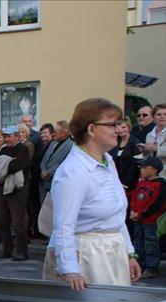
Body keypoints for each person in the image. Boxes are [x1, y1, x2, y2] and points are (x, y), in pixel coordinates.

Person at [43, 98, 141, 290]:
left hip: (111, 252)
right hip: (86, 256)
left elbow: (116, 214)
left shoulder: (107, 161)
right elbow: (63, 225)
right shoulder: (73, 172)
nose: (118, 129)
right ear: (91, 129)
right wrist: (71, 270)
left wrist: (129, 253)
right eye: (112, 124)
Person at [0, 126, 31, 261]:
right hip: (3, 188)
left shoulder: (22, 149)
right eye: (6, 136)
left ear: (17, 137)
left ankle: (21, 251)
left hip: (17, 190)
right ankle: (6, 249)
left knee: (18, 222)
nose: (7, 139)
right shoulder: (3, 149)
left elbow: (18, 165)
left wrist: (5, 165)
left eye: (9, 136)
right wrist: (8, 164)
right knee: (1, 221)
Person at [129, 156, 166, 278]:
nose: (141, 169)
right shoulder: (142, 182)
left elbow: (157, 204)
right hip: (138, 219)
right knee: (138, 243)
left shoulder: (160, 184)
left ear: (154, 170)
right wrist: (133, 210)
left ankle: (151, 268)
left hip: (151, 220)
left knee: (151, 244)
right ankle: (140, 265)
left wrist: (142, 214)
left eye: (145, 167)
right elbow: (135, 197)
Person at [39, 120, 74, 204]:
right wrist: (43, 170)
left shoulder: (71, 145)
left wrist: (49, 172)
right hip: (44, 183)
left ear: (64, 132)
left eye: (56, 131)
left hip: (57, 183)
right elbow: (44, 159)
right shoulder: (53, 143)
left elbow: (65, 163)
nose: (54, 133)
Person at [143, 103, 166, 176]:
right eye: (159, 114)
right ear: (153, 118)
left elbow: (156, 149)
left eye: (165, 114)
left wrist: (157, 149)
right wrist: (144, 151)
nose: (162, 117)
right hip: (153, 175)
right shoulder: (149, 135)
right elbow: (148, 157)